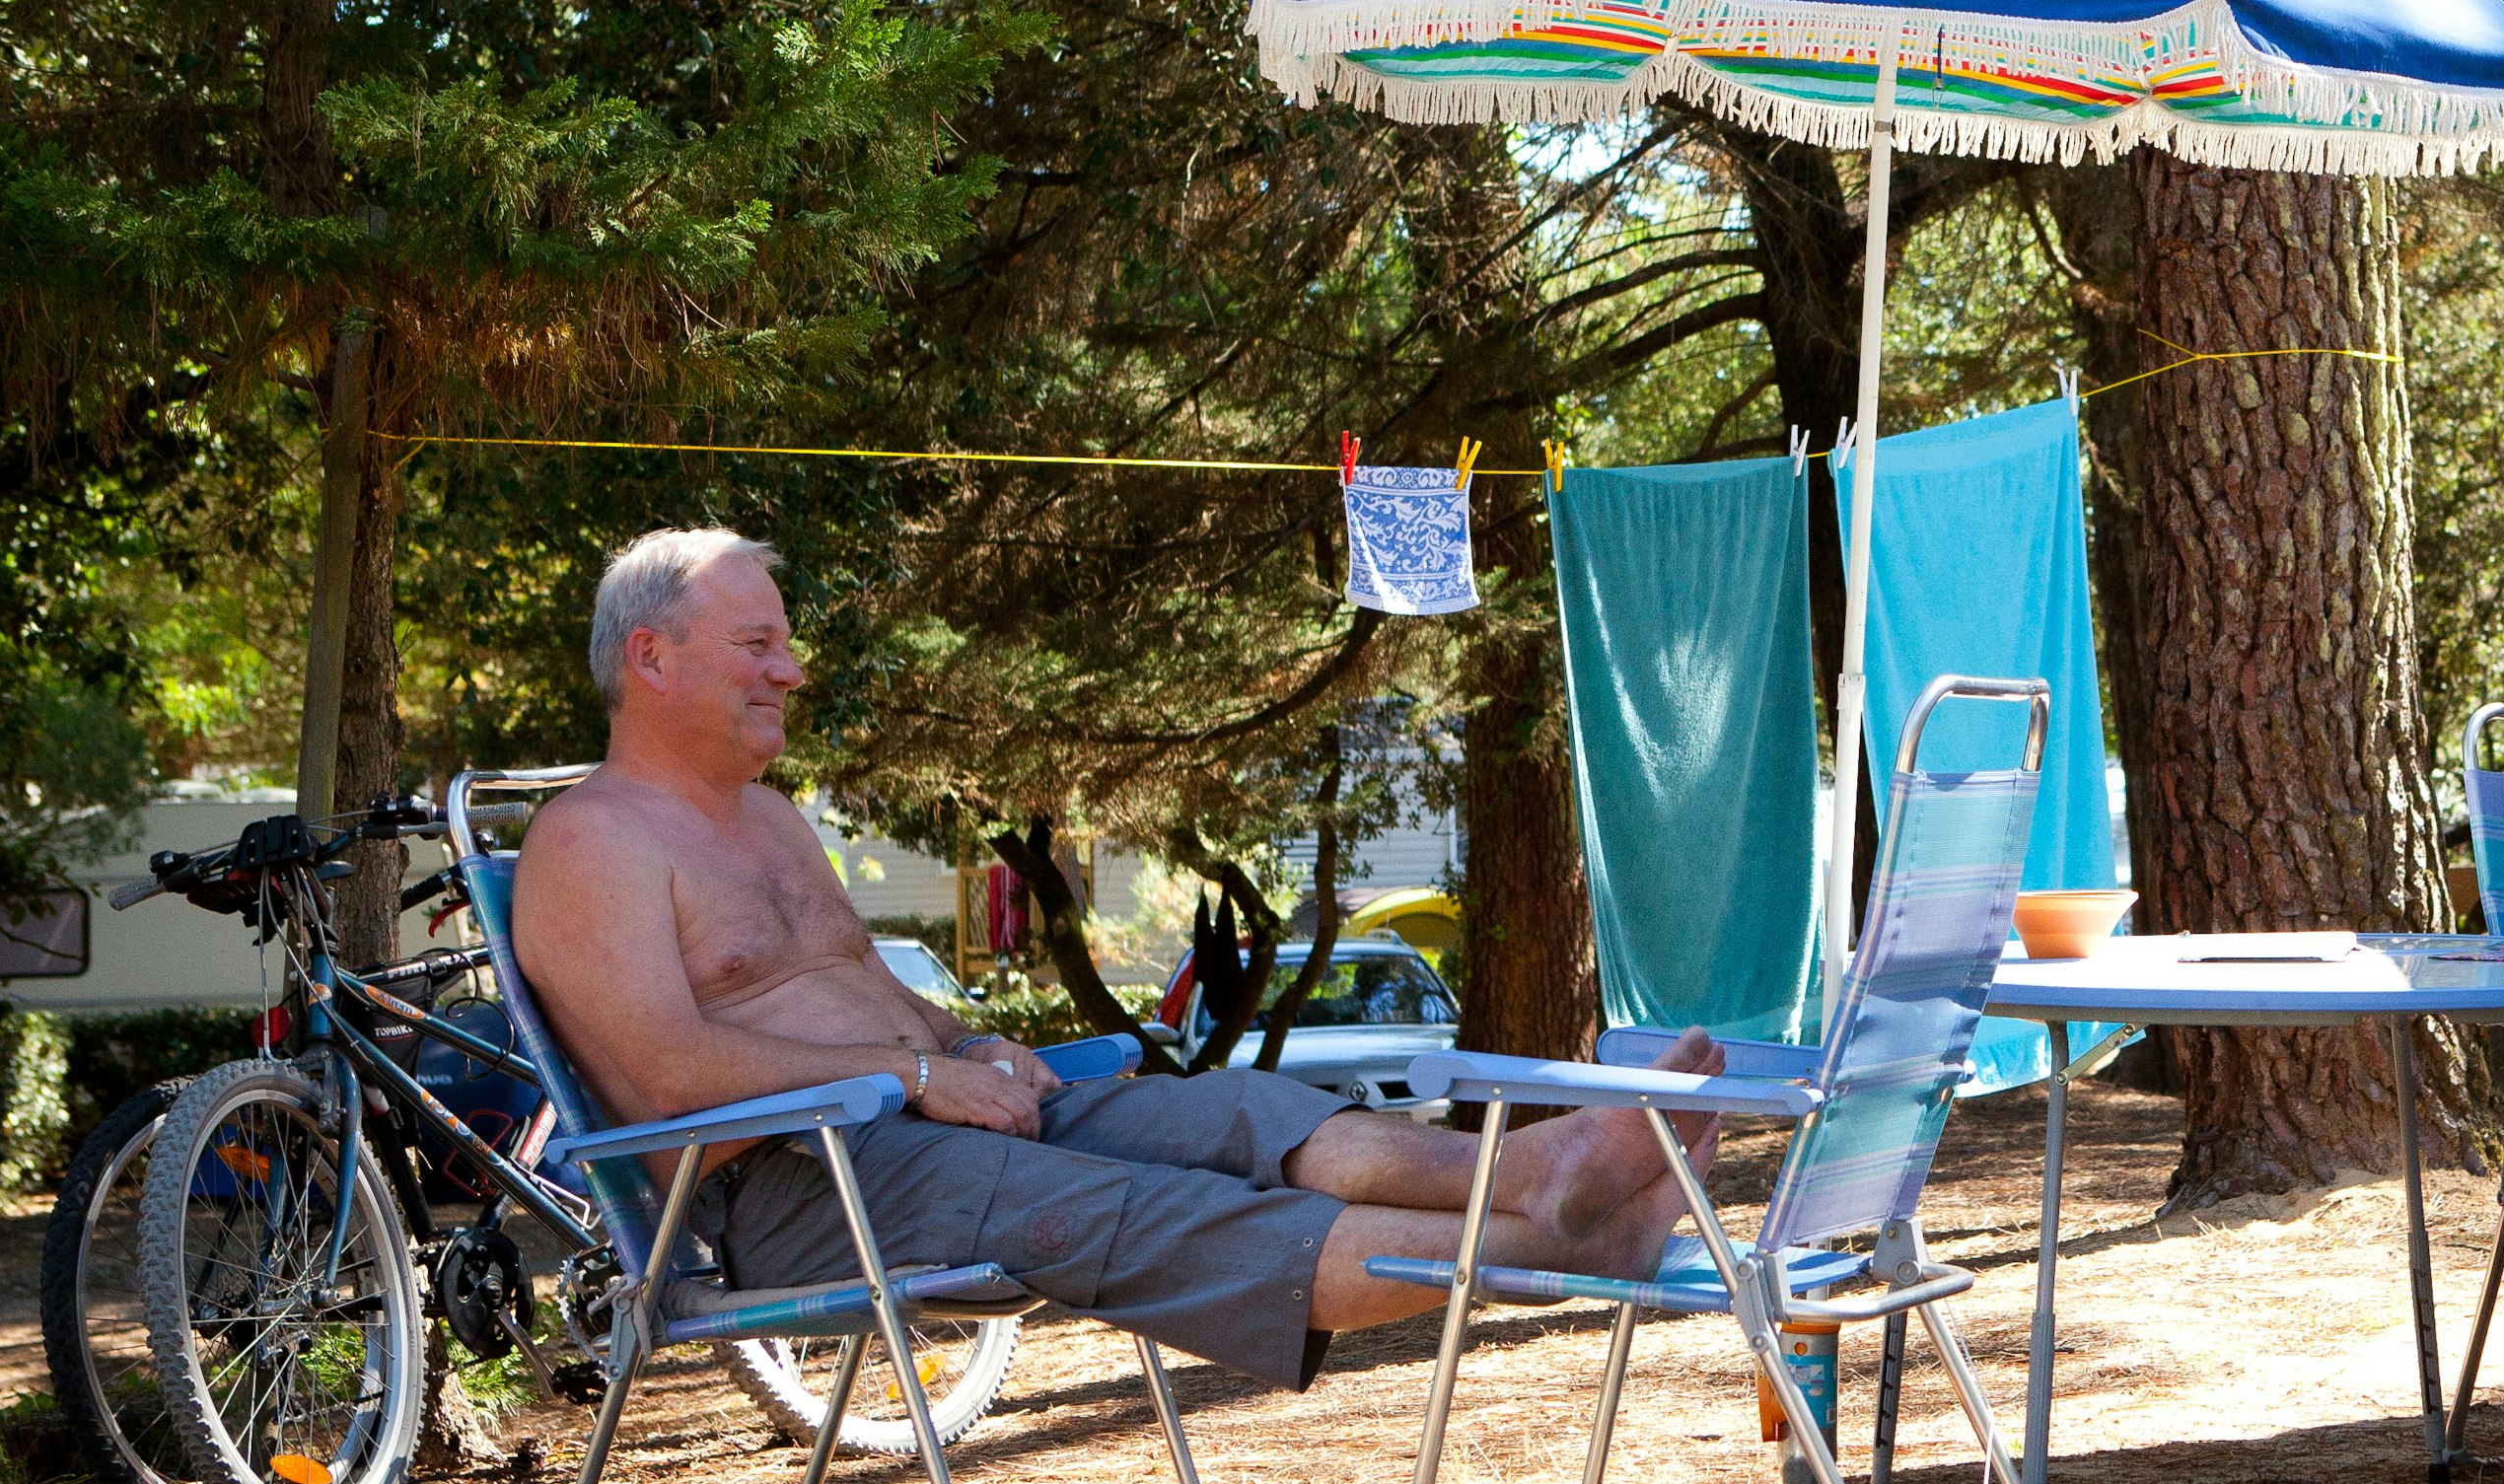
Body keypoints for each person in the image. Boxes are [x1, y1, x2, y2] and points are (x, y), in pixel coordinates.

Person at [508, 528, 1712, 1399]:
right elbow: (666, 1071)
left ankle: (1539, 1171)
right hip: (796, 1183)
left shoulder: (766, 818)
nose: (791, 668)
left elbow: (864, 992)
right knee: (1158, 1212)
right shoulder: (589, 839)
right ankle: (1568, 1248)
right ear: (653, 658)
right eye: (758, 643)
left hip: (927, 1124)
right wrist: (916, 1080)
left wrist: (961, 1047)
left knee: (1233, 1109)